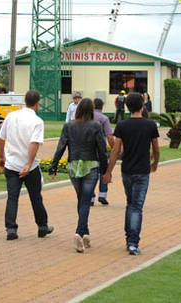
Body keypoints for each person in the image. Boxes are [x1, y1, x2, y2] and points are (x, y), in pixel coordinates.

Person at [102, 92, 159, 256]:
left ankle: (129, 238)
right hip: (142, 170)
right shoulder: (150, 125)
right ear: (142, 106)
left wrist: (108, 172)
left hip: (127, 170)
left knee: (130, 203)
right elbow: (155, 148)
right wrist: (155, 162)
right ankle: (133, 242)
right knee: (136, 206)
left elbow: (115, 150)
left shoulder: (122, 125)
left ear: (127, 107)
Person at [49, 98, 108, 252]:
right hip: (91, 165)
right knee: (85, 200)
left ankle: (85, 233)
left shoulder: (68, 126)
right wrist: (106, 170)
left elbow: (61, 147)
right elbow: (102, 149)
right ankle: (79, 233)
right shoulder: (95, 126)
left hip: (74, 165)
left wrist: (53, 166)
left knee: (81, 199)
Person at [0, 90, 54, 240]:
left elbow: (1, 138)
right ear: (37, 103)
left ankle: (11, 229)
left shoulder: (11, 116)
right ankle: (42, 226)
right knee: (36, 197)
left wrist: (2, 157)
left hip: (11, 164)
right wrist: (28, 165)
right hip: (30, 167)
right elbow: (34, 143)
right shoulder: (37, 121)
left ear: (25, 100)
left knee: (12, 197)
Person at [92, 98, 115, 205]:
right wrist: (114, 148)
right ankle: (102, 195)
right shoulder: (104, 118)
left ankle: (90, 197)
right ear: (102, 107)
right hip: (100, 149)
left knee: (90, 173)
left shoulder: (85, 117)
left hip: (86, 149)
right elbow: (109, 136)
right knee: (103, 171)